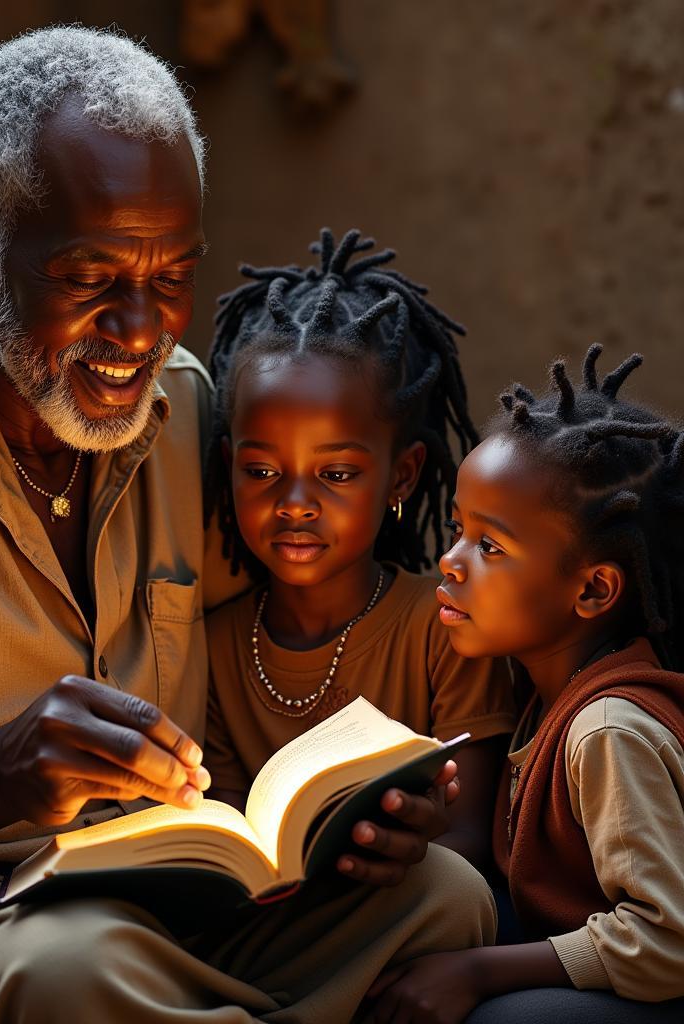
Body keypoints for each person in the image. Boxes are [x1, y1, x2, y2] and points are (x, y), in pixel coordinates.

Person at [0, 26, 496, 1023]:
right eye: (90, 278)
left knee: (444, 896)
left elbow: (263, 654)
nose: (138, 331)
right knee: (68, 972)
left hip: (170, 892)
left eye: (172, 278)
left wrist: (355, 809)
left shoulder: (183, 405)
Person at [368, 346, 684, 1023]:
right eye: (459, 529)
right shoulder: (541, 693)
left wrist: (478, 970)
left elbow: (668, 941)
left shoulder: (608, 731)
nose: (450, 563)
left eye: (490, 547)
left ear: (593, 590)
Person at [202, 229, 516, 876]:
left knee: (453, 893)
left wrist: (413, 853)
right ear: (228, 467)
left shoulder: (444, 627)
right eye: (261, 472)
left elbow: (470, 849)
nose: (294, 503)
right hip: (272, 921)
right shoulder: (213, 645)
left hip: (408, 900)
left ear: (401, 477)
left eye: (337, 474)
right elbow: (230, 848)